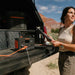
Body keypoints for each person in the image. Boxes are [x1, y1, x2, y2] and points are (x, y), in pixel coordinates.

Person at [47, 6, 75, 75]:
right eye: (71, 12)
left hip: (70, 58)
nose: (73, 15)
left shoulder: (74, 28)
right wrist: (52, 40)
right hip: (61, 57)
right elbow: (60, 44)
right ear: (65, 15)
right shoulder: (61, 29)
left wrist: (60, 44)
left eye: (74, 13)